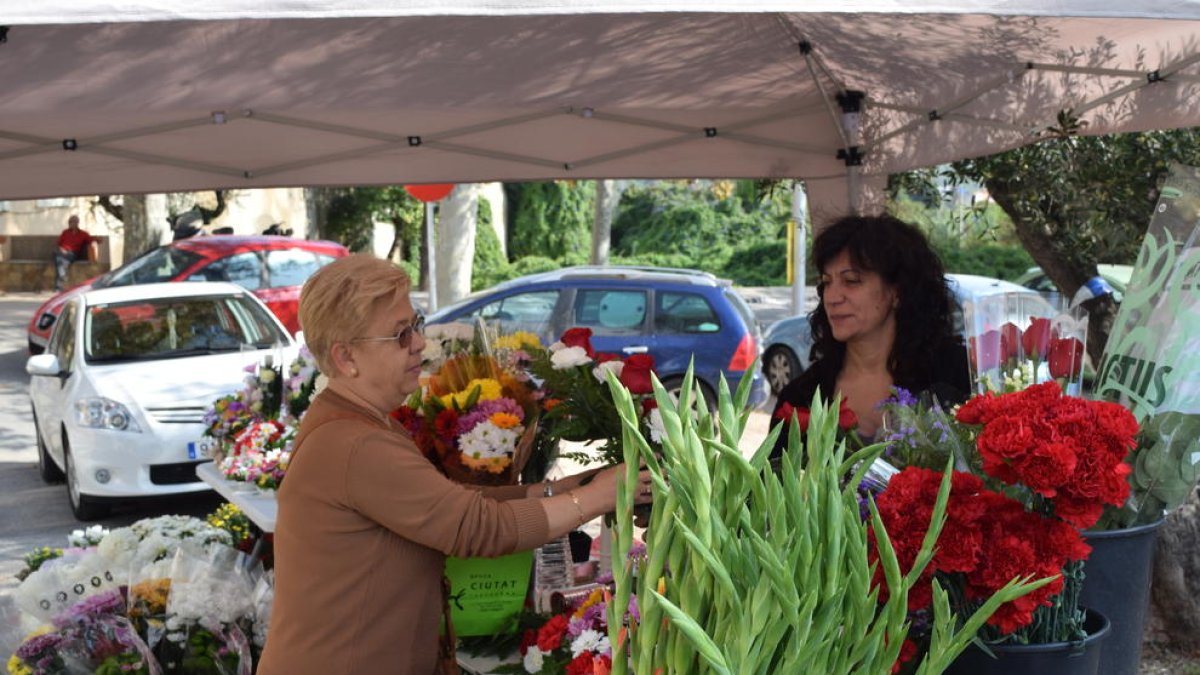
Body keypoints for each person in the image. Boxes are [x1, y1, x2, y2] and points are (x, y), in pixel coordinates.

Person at [257, 255, 652, 675]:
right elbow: (476, 526)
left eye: (416, 323)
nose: (418, 343)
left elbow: (448, 501)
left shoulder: (359, 423)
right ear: (345, 357)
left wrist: (560, 488)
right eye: (399, 334)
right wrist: (598, 496)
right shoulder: (355, 443)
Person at [770, 214, 970, 458]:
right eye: (827, 282)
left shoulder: (958, 376)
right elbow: (768, 488)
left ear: (898, 291)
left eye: (851, 281)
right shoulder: (801, 396)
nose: (832, 297)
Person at [54, 215, 92, 291]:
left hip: (72, 253)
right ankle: (62, 278)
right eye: (70, 222)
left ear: (77, 223)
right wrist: (62, 250)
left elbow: (91, 240)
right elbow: (58, 244)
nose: (71, 223)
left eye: (73, 222)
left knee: (60, 260)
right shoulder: (65, 232)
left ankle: (59, 283)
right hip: (62, 253)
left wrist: (97, 241)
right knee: (58, 256)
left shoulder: (83, 234)